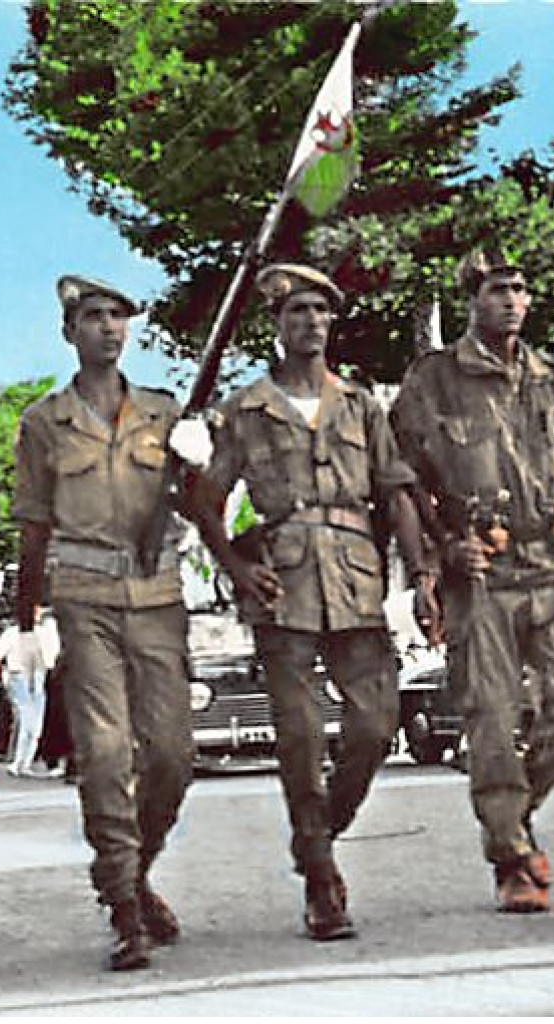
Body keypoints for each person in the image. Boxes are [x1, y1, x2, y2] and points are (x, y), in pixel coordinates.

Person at [391, 245, 554, 914]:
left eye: (520, 289)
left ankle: (511, 816)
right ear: (472, 299)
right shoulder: (433, 379)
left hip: (552, 564)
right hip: (480, 575)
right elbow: (402, 479)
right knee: (492, 715)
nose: (512, 300)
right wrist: (441, 551)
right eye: (498, 289)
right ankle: (511, 859)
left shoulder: (551, 379)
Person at [189, 263, 438, 940]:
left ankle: (317, 832)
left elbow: (395, 492)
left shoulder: (360, 405)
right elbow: (205, 501)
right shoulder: (247, 410)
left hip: (357, 580)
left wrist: (419, 575)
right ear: (276, 324)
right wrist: (237, 570)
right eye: (297, 311)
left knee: (375, 722)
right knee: (298, 737)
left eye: (321, 312)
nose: (311, 322)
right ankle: (322, 879)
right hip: (283, 581)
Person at [12, 275, 205, 970]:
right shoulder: (44, 421)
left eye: (118, 316)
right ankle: (125, 904)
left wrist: (199, 459)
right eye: (92, 316)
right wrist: (25, 616)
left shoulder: (162, 411)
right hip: (83, 597)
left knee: (173, 756)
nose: (107, 327)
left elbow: (199, 501)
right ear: (70, 331)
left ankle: (135, 868)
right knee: (102, 752)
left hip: (158, 596)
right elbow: (33, 523)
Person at [0, 608, 58, 780]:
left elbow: (51, 657)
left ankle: (25, 762)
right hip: (18, 676)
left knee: (35, 725)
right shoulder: (12, 633)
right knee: (25, 720)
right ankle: (17, 761)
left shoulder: (43, 634)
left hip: (38, 676)